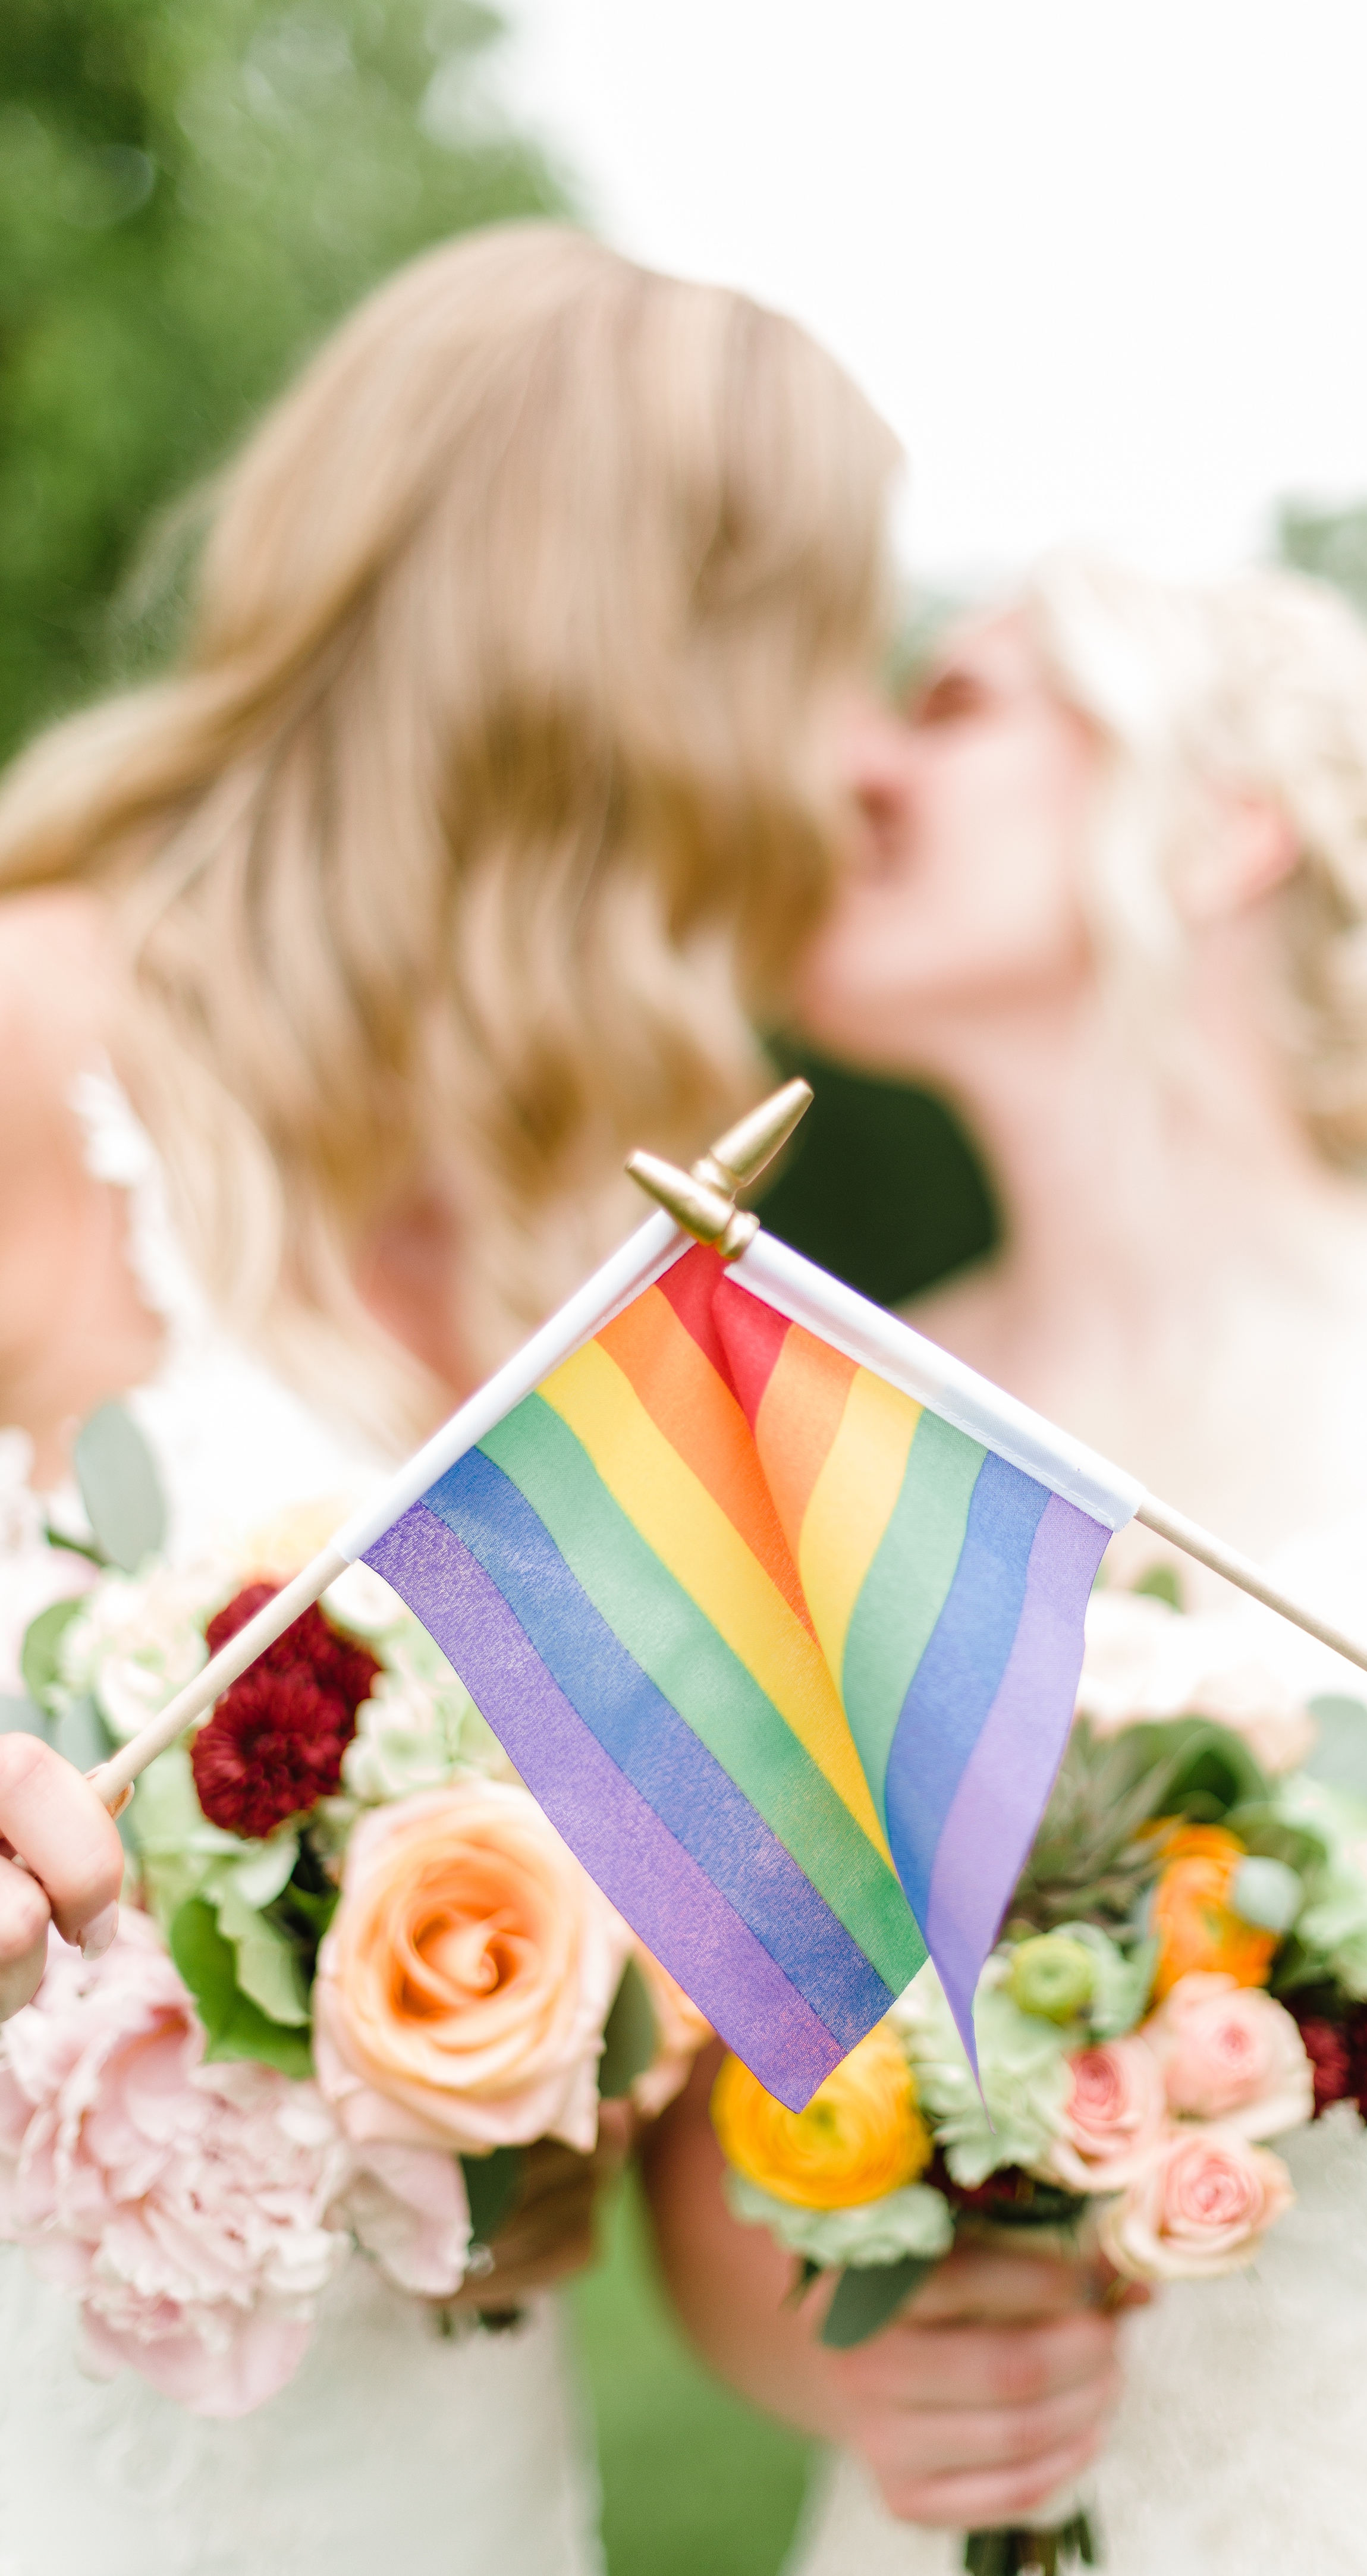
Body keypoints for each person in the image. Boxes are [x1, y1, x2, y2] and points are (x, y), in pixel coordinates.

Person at [645, 559, 1367, 2571]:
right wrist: (850, 2369)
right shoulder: (806, 1442)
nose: (849, 765)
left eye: (955, 703)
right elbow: (708, 2158)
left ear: (1226, 825)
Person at [0, 220, 897, 2574]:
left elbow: (661, 2139)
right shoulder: (29, 1046)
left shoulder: (621, 1247)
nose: (863, 754)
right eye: (833, 649)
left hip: (448, 2495)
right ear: (627, 660)